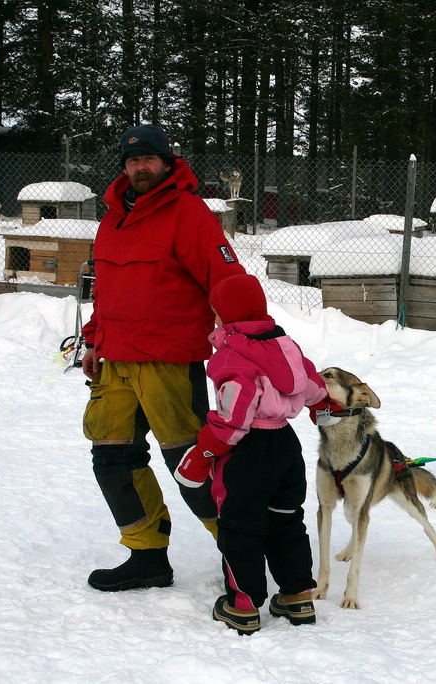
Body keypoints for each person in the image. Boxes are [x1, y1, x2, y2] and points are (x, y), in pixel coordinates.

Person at [82, 124, 247, 592]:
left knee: (192, 464)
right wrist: (94, 340)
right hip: (115, 361)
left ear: (167, 161)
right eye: (132, 161)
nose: (140, 167)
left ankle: (239, 551)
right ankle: (147, 555)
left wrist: (246, 335)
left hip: (169, 362)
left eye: (149, 159)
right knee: (111, 457)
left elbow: (226, 279)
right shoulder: (112, 217)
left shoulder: (188, 212)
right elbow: (107, 290)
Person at [174, 274, 328, 635]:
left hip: (247, 449)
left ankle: (242, 605)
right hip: (286, 447)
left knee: (239, 525)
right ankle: (297, 595)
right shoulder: (284, 345)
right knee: (287, 520)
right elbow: (312, 387)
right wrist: (320, 405)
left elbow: (234, 417)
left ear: (224, 315)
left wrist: (203, 452)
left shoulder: (234, 355)